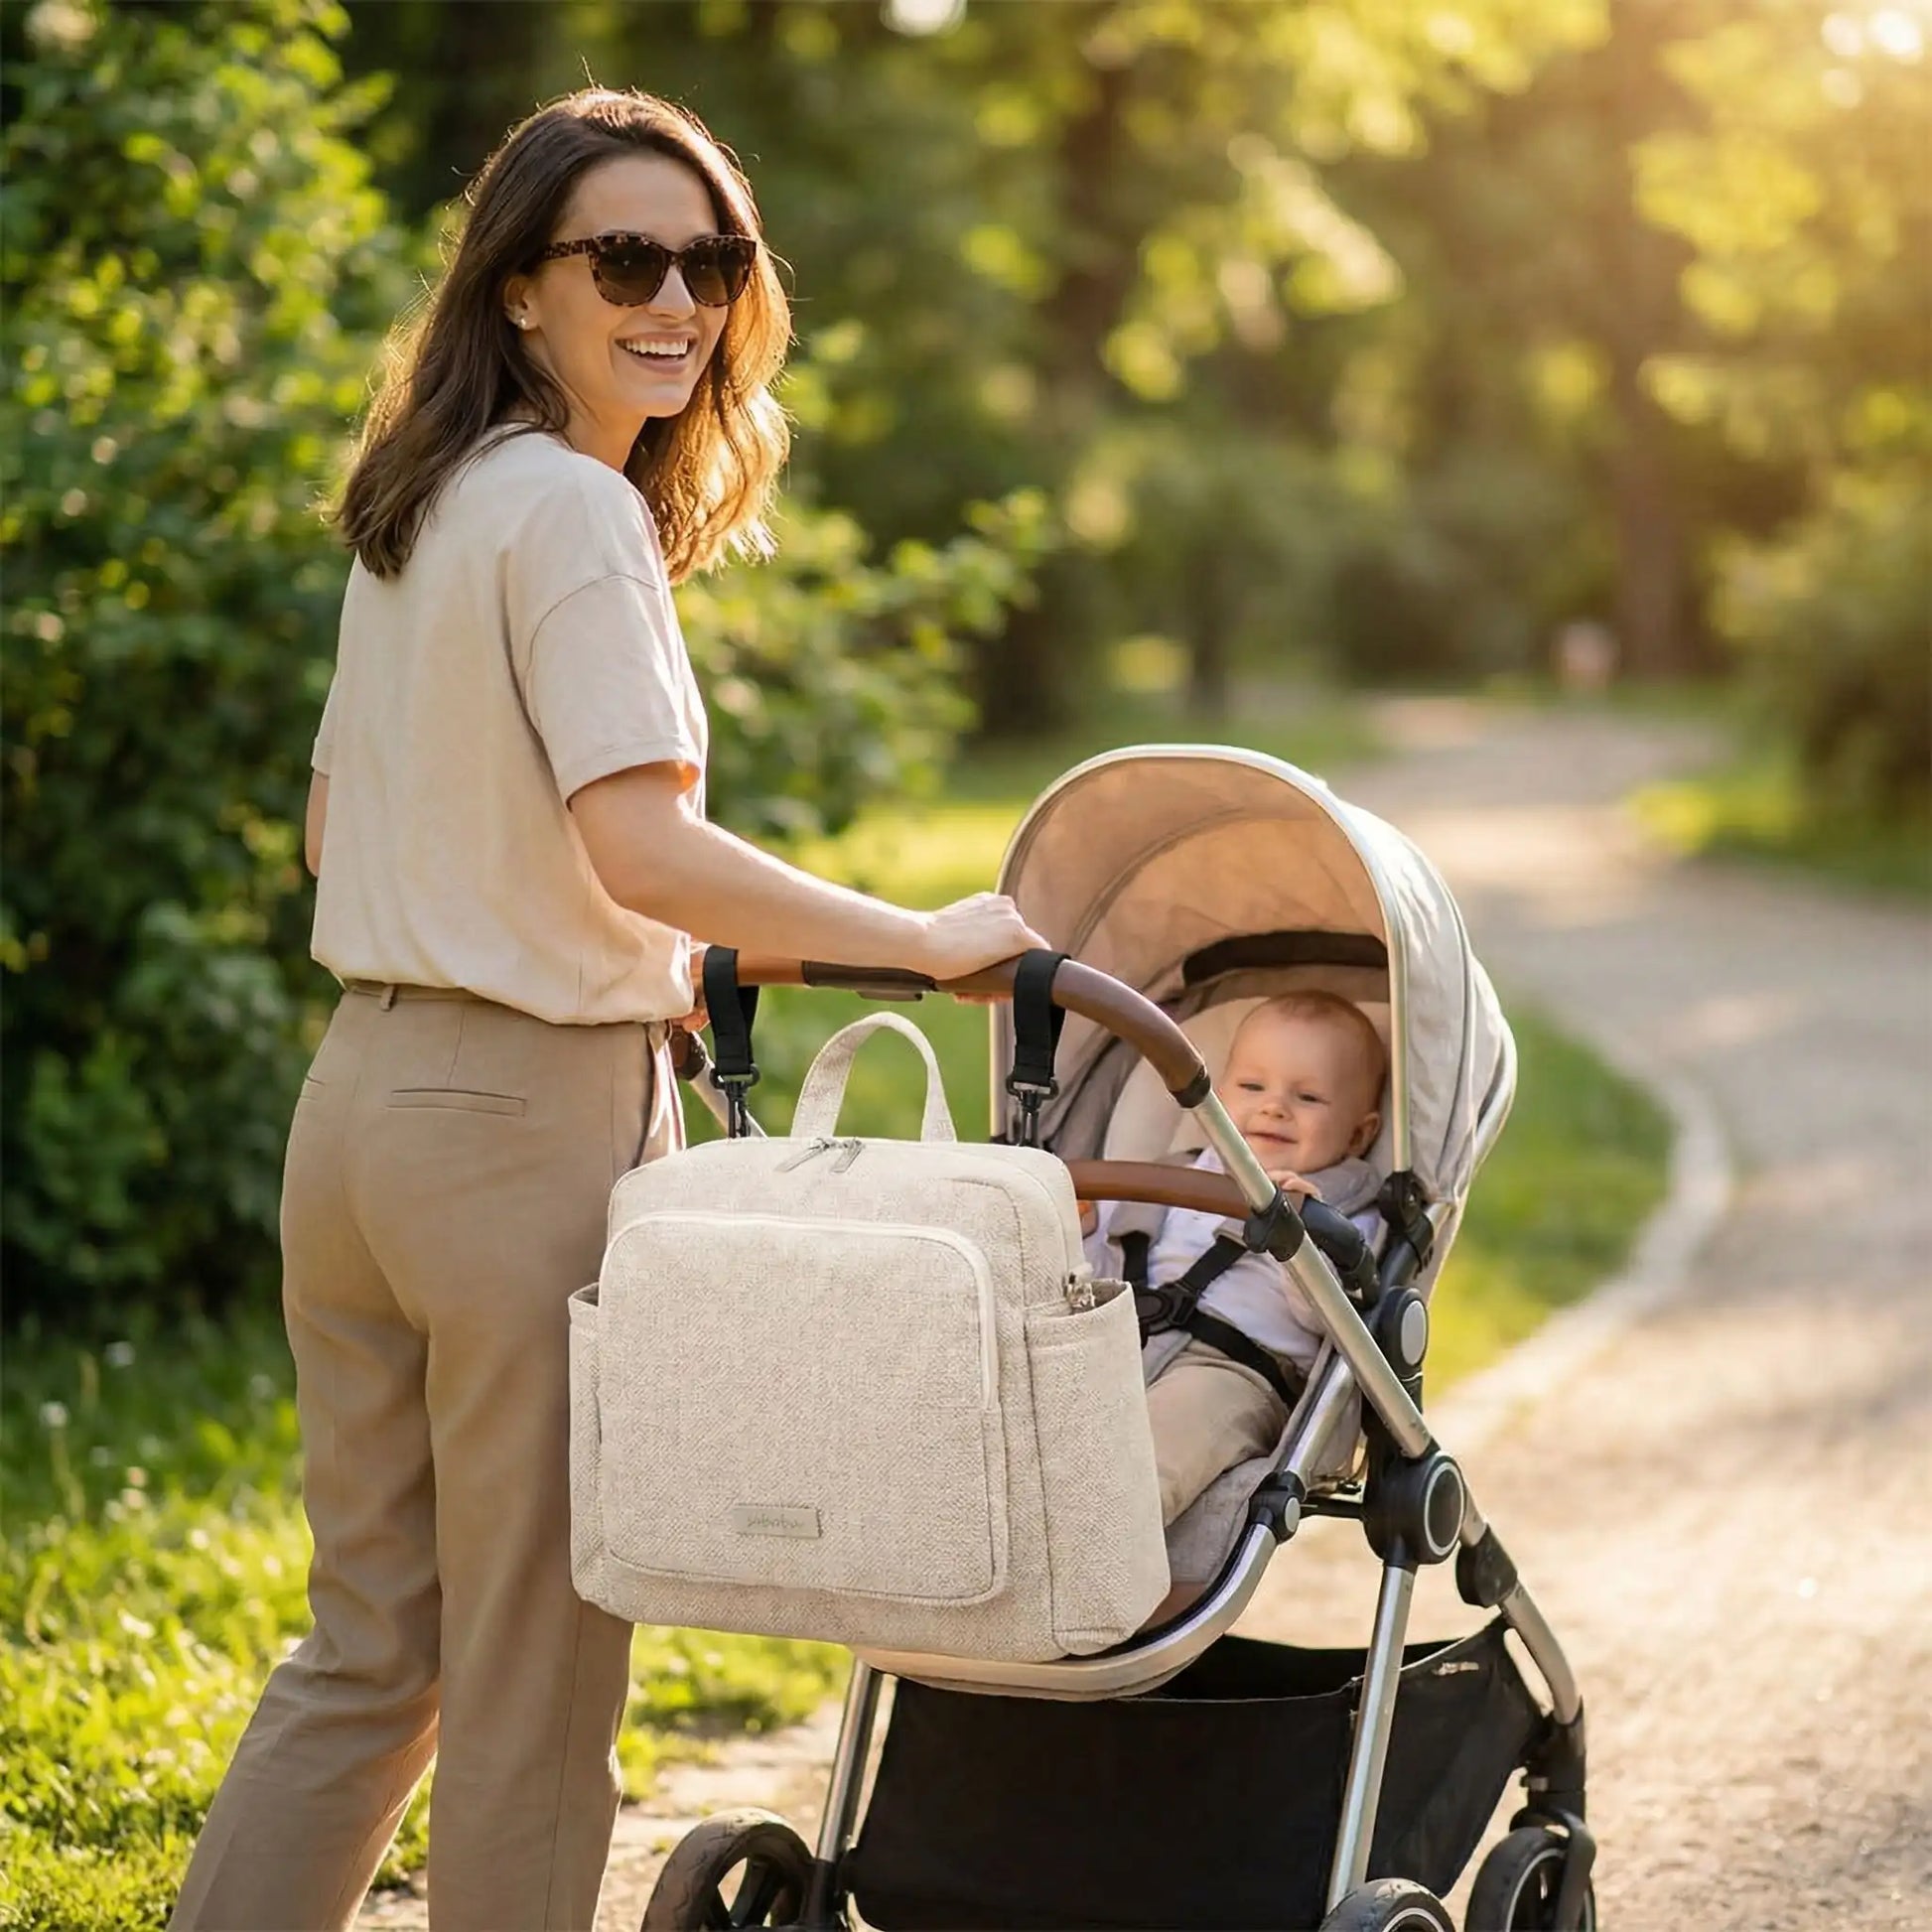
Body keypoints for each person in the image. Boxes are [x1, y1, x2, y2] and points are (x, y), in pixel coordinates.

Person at [169, 88, 1041, 1932]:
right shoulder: (572, 509)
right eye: (624, 259)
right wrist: (915, 944)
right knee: (534, 1678)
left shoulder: (419, 503)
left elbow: (339, 830)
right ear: (518, 288)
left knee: (372, 1651)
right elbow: (639, 846)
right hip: (517, 1134)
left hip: (360, 1116)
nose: (676, 302)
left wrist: (586, 930)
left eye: (709, 264)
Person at [1084, 991, 1387, 1526]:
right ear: (1217, 1096)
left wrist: (1299, 1242)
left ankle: (1104, 1532)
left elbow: (1330, 1318)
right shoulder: (1170, 1178)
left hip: (1232, 1370)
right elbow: (1104, 1273)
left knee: (1154, 1457)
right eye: (1251, 1087)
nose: (1274, 1107)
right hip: (1121, 1346)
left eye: (1308, 1097)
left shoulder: (1343, 1214)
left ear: (1360, 1133)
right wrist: (1083, 1231)